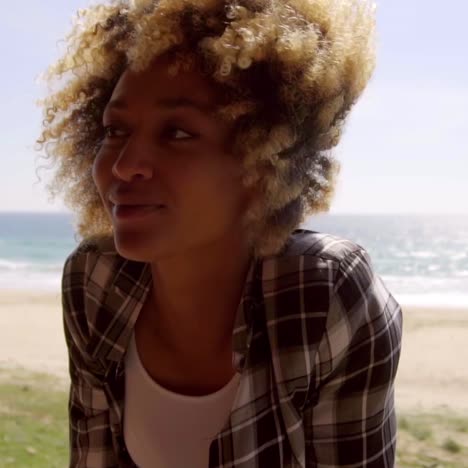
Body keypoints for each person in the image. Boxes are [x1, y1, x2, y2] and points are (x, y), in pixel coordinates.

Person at [37, 0, 403, 466]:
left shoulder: (326, 295)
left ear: (262, 159)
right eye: (115, 129)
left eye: (178, 133)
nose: (125, 165)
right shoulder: (95, 279)